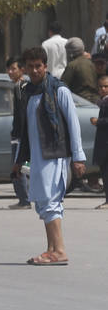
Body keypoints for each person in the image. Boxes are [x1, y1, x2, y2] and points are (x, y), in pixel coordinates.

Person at [12, 46, 86, 266]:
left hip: (55, 154)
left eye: (38, 66)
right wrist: (18, 161)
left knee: (51, 201)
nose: (34, 70)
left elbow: (73, 125)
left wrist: (79, 158)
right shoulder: (27, 92)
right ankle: (51, 249)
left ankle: (60, 251)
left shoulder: (58, 90)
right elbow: (24, 133)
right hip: (37, 156)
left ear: (45, 66)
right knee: (43, 202)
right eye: (30, 66)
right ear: (25, 68)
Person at [7, 57, 31, 209]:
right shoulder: (22, 85)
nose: (10, 72)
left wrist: (18, 133)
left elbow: (22, 113)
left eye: (13, 69)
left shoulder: (20, 86)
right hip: (21, 133)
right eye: (8, 69)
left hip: (20, 134)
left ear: (22, 70)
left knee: (18, 167)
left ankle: (24, 200)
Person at [61, 37, 99, 104]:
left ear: (70, 52)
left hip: (80, 101)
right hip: (95, 101)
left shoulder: (72, 65)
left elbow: (63, 86)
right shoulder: (91, 63)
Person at [92, 74, 108, 208]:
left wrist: (98, 122)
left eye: (106, 86)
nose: (103, 89)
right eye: (101, 86)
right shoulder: (102, 101)